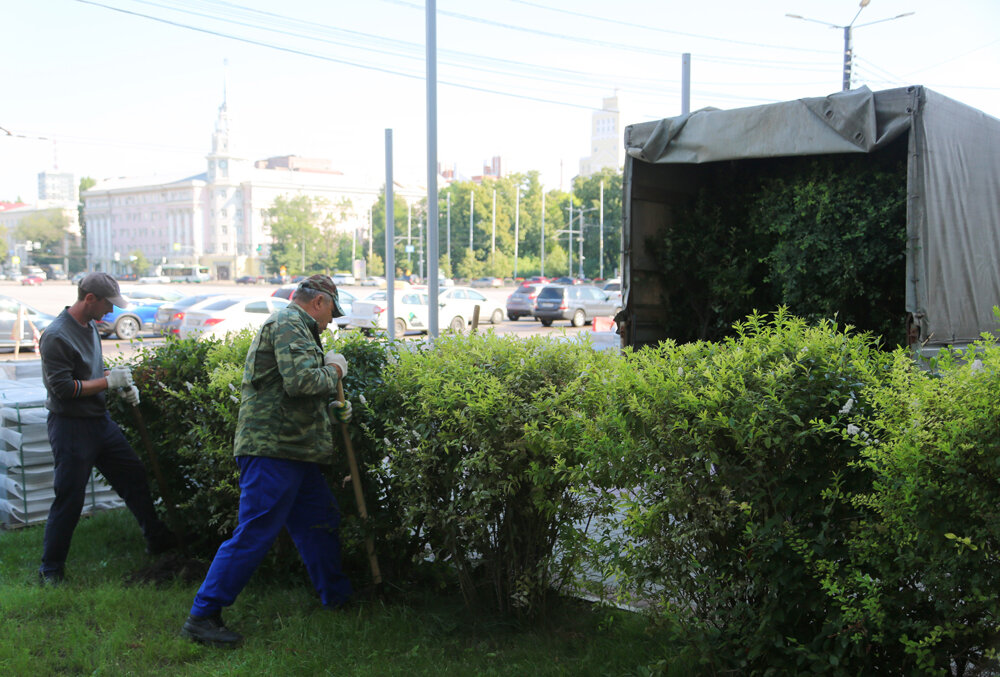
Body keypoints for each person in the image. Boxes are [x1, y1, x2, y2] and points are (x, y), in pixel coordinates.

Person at [181, 274, 355, 647]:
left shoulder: (300, 328)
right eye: (331, 313)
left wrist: (333, 408)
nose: (330, 322)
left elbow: (292, 389)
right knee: (256, 531)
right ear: (319, 302)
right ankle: (203, 615)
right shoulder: (290, 323)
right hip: (272, 450)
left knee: (320, 522)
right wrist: (336, 370)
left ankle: (338, 600)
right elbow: (301, 383)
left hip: (294, 450)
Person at [38, 272, 176, 585]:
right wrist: (107, 382)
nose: (111, 312)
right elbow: (63, 388)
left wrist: (120, 383)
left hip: (99, 422)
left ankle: (156, 537)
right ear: (89, 299)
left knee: (133, 474)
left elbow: (90, 373)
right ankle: (51, 568)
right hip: (71, 427)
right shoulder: (57, 335)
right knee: (70, 497)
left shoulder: (89, 327)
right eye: (107, 305)